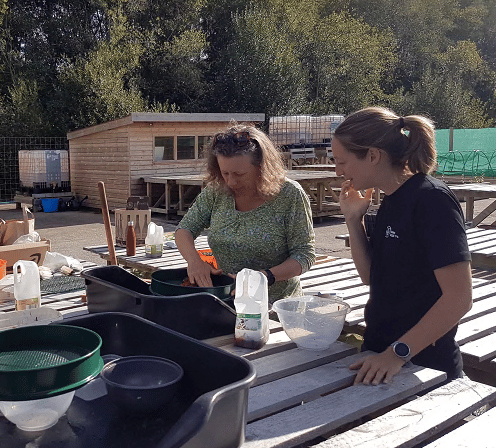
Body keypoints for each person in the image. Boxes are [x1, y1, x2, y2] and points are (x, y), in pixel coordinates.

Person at [332, 106, 472, 385]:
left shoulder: (432, 200)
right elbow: (371, 277)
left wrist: (397, 353)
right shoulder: (390, 199)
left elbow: (459, 298)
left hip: (425, 369)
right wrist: (353, 220)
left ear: (373, 155)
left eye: (341, 161)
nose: (338, 171)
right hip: (380, 360)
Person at [175, 122, 316, 303]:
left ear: (262, 167)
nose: (231, 182)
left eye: (239, 174)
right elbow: (184, 230)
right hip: (227, 303)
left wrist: (264, 278)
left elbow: (305, 255)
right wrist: (194, 261)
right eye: (225, 173)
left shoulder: (290, 195)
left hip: (277, 306)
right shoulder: (216, 191)